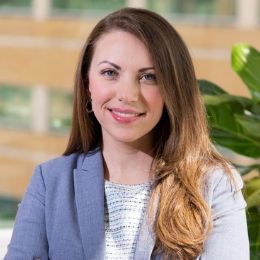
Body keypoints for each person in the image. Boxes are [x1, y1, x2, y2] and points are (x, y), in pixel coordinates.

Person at [5, 7, 249, 260]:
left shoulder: (214, 186)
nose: (128, 95)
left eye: (149, 77)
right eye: (110, 73)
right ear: (87, 83)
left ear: (172, 90)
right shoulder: (50, 181)